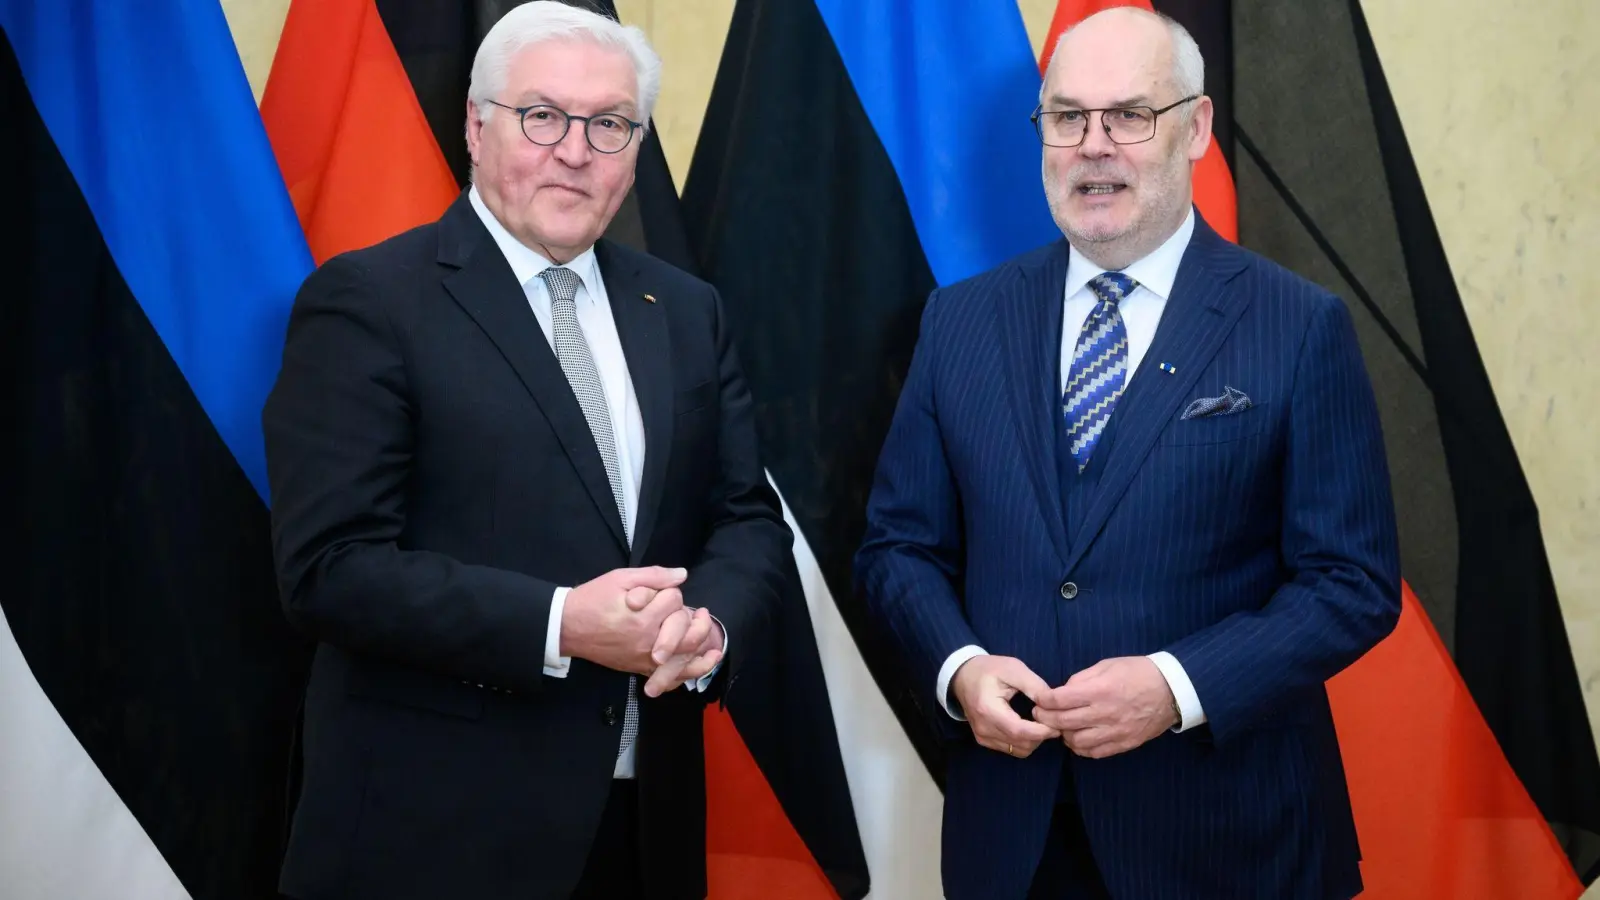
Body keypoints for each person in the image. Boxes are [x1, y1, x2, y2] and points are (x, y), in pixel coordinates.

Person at [855, 7, 1401, 899]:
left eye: (1128, 116)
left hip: (1227, 843)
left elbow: (1352, 583)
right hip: (1014, 840)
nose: (1093, 145)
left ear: (1195, 129)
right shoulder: (960, 320)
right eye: (1067, 117)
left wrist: (1176, 685)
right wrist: (960, 668)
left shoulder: (1298, 326)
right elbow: (898, 548)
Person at [260, 3, 792, 898]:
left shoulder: (686, 310)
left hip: (643, 817)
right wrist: (560, 624)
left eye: (609, 125)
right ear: (476, 125)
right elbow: (329, 567)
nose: (575, 151)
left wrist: (709, 625)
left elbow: (744, 518)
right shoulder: (367, 303)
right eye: (542, 116)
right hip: (433, 831)